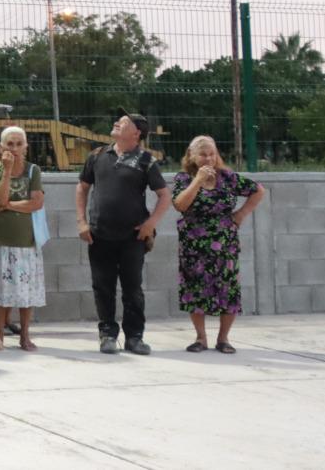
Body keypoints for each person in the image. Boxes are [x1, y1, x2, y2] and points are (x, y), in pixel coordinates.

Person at [76, 108, 172, 355]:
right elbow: (82, 188)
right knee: (103, 287)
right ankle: (107, 334)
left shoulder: (146, 161)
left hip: (133, 237)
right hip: (99, 234)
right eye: (118, 120)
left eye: (124, 122)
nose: (117, 123)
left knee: (132, 288)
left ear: (137, 133)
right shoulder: (97, 155)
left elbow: (164, 196)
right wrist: (81, 222)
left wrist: (151, 223)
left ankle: (135, 337)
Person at [173, 134, 264, 354]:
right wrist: (198, 180)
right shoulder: (184, 178)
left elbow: (258, 190)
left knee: (228, 289)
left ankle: (223, 339)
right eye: (203, 154)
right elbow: (180, 205)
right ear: (192, 156)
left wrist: (240, 214)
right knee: (195, 289)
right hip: (194, 245)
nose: (208, 158)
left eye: (212, 153)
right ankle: (200, 338)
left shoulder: (228, 178)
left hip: (225, 244)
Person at [0, 125, 46, 351]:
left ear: (26, 147)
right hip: (0, 240)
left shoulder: (32, 171)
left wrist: (6, 206)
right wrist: (7, 172)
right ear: (1, 147)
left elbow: (36, 202)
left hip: (26, 241)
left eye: (19, 144)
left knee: (26, 292)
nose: (14, 148)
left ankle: (25, 335)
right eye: (10, 144)